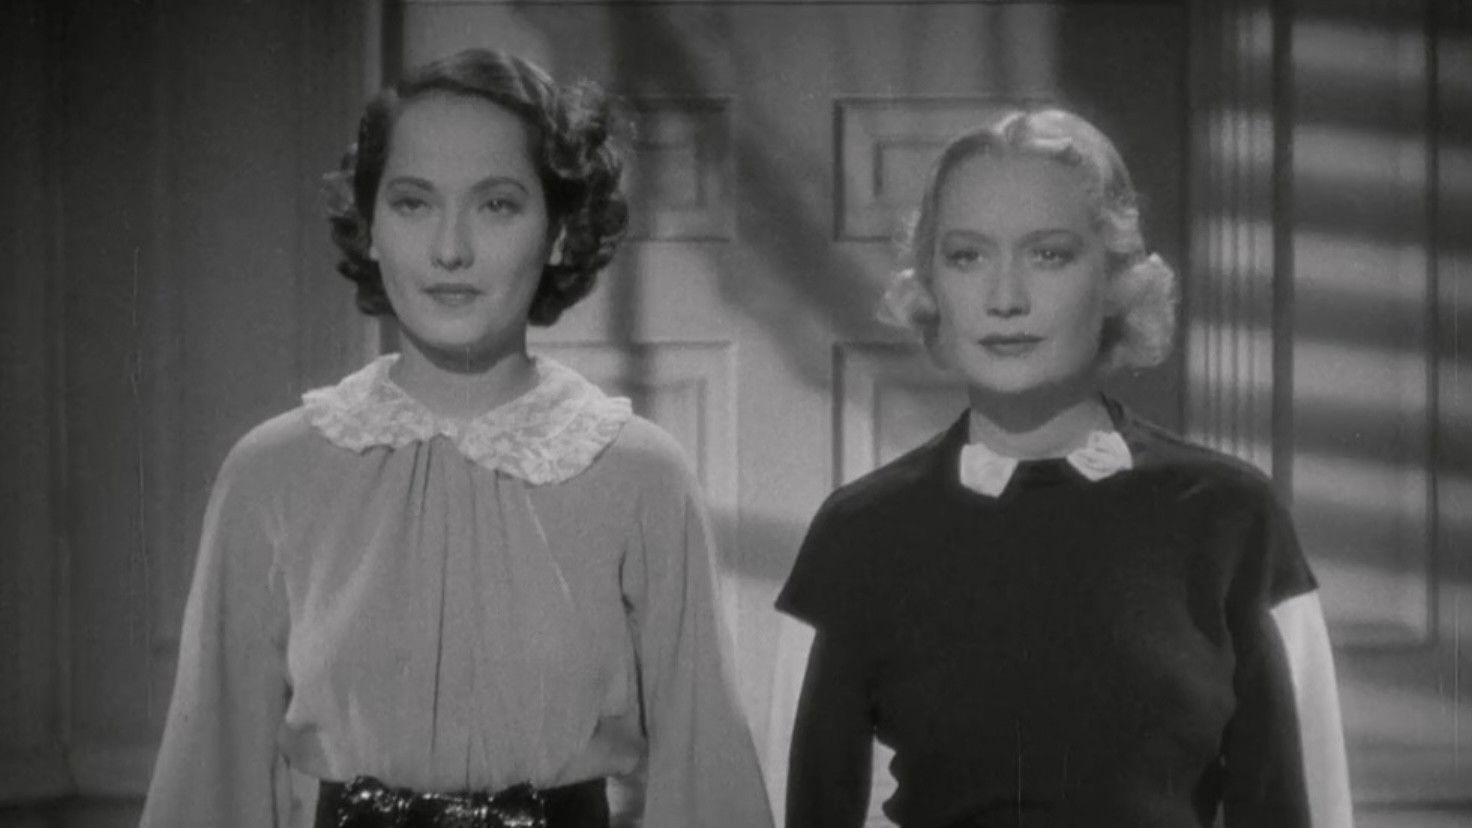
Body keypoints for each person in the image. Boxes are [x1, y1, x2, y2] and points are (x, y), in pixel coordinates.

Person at [140, 49, 772, 828]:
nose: (449, 249)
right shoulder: (272, 472)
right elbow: (210, 781)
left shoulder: (639, 474)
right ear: (371, 227)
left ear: (559, 231)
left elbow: (707, 778)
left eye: (496, 205)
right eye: (412, 203)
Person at [777, 109, 1352, 827]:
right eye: (967, 256)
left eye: (1048, 255)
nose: (1005, 298)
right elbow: (800, 805)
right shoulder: (859, 534)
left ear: (1114, 280)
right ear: (931, 286)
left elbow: (1301, 806)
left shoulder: (1230, 517)